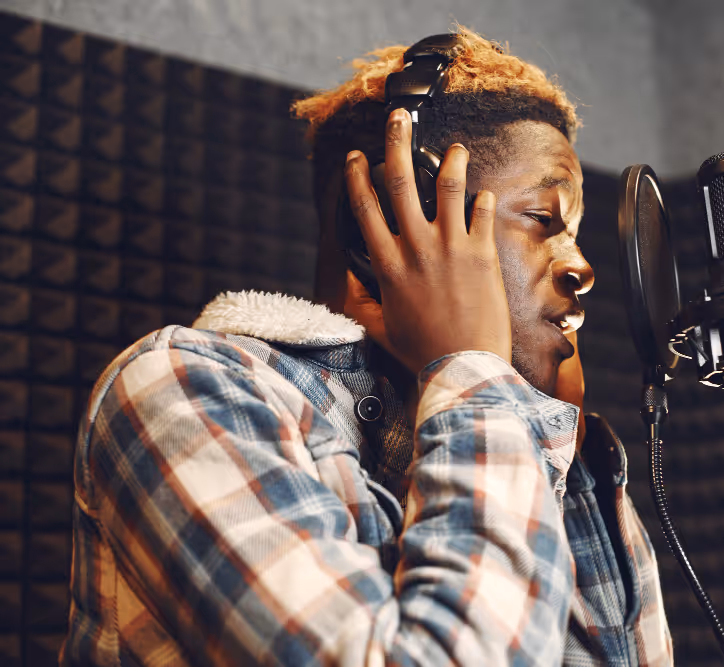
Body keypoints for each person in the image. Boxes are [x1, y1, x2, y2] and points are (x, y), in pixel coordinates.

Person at [62, 28, 672, 666]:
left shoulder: (555, 453)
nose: (582, 268)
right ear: (380, 216)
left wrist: (545, 444)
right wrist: (481, 377)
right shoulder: (183, 392)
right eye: (544, 221)